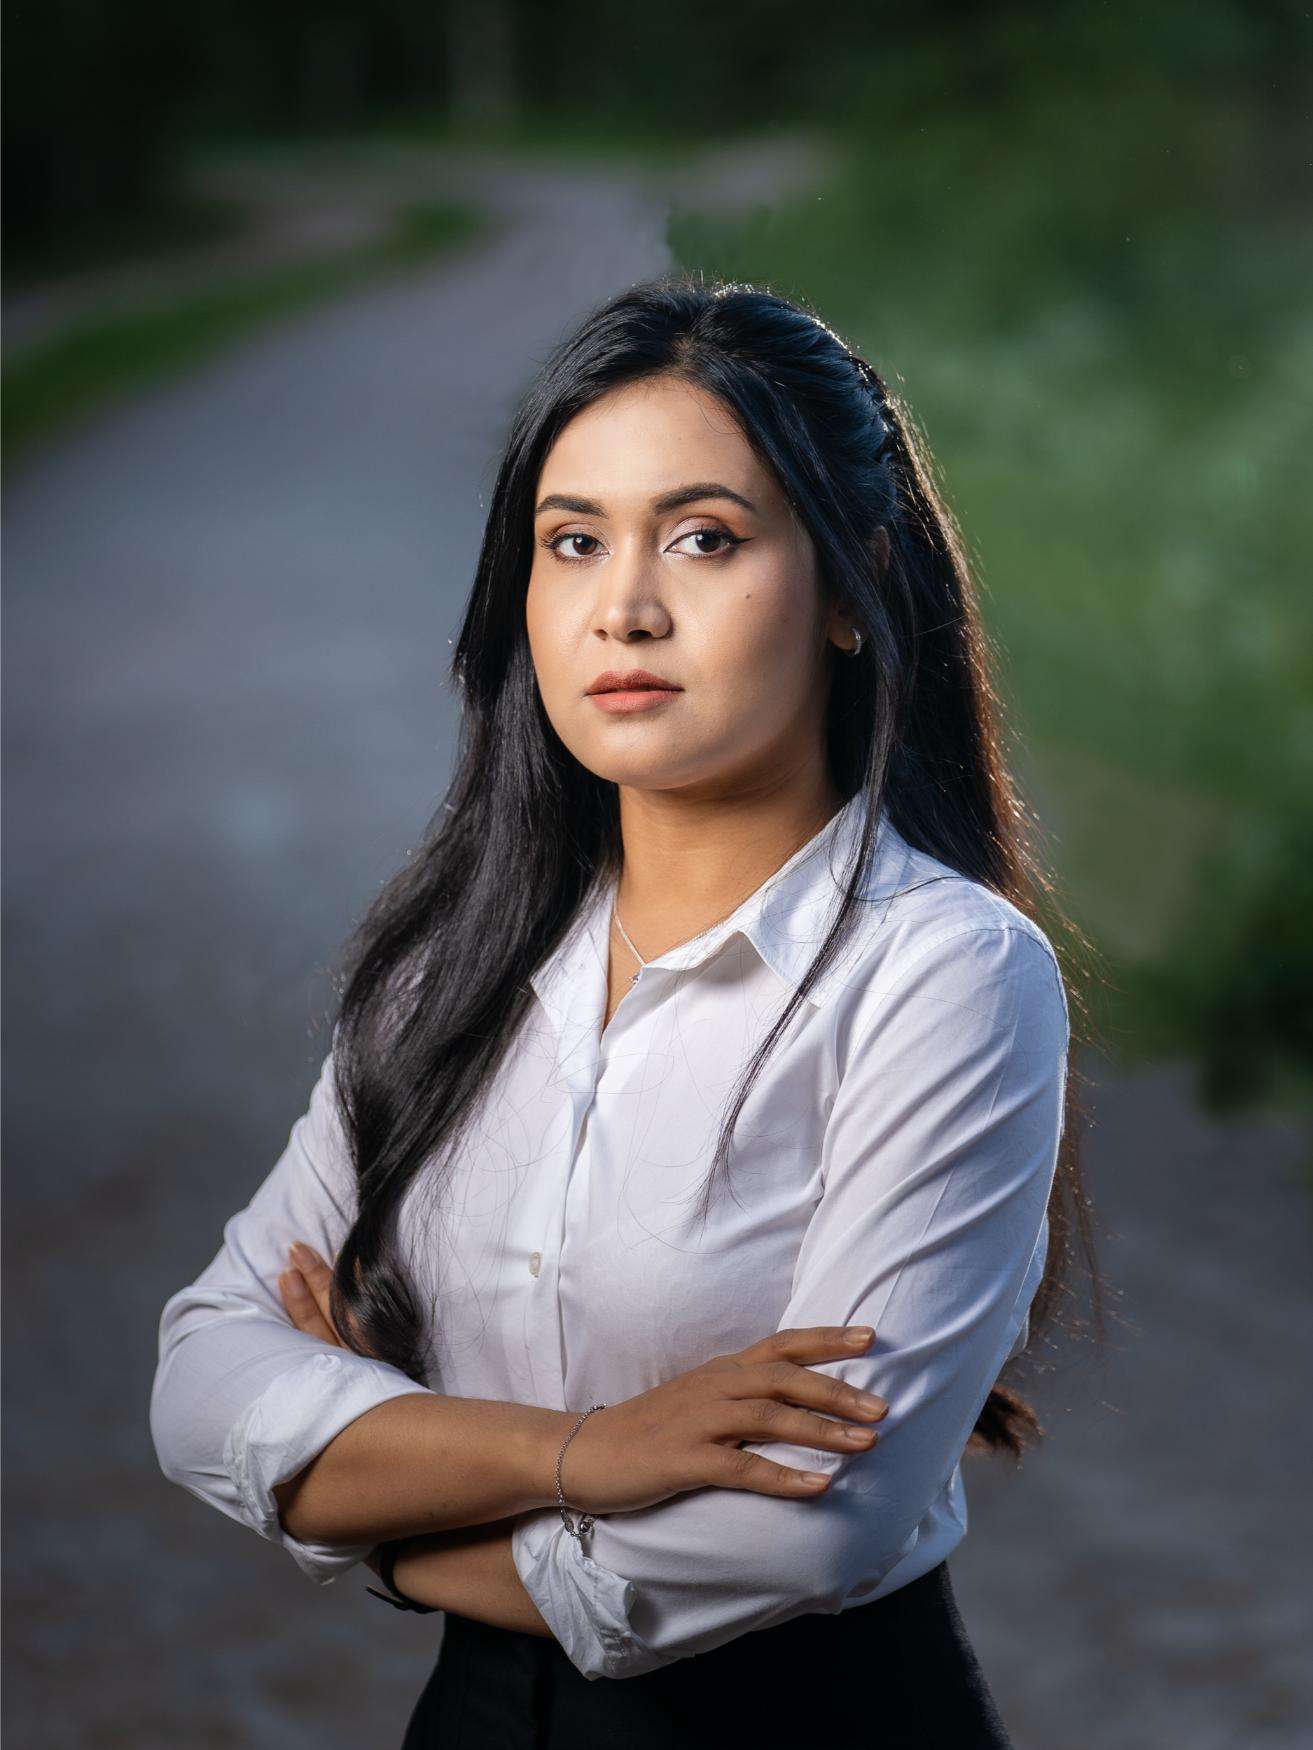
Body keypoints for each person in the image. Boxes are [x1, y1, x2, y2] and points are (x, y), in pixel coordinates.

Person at [150, 272, 1099, 1747]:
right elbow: (205, 1372)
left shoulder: (941, 974)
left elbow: (809, 1526)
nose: (624, 607)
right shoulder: (442, 968)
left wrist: (395, 1515)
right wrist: (590, 1452)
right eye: (571, 540)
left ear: (850, 588)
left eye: (704, 538)